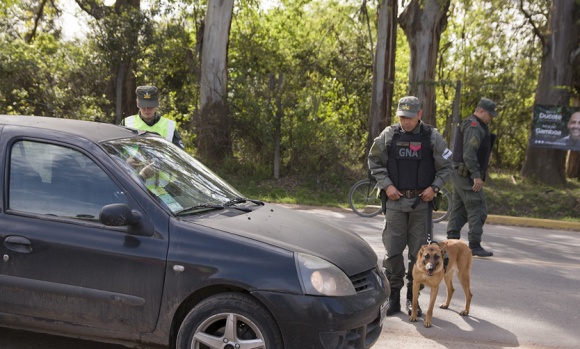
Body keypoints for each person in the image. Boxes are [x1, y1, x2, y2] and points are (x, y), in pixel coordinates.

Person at [368, 96, 453, 316]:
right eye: (402, 117)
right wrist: (386, 186)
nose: (406, 121)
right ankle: (394, 297)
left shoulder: (432, 137)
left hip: (421, 204)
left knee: (420, 254)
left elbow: (447, 166)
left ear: (420, 115)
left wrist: (434, 188)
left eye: (410, 117)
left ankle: (412, 299)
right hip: (395, 202)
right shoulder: (389, 135)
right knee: (393, 251)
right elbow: (374, 161)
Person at [446, 97, 498, 257]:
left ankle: (451, 243)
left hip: (462, 173)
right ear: (481, 111)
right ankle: (474, 245)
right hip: (466, 175)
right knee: (478, 208)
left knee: (459, 209)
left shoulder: (475, 125)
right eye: (490, 115)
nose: (491, 119)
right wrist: (476, 176)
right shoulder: (474, 126)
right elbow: (469, 153)